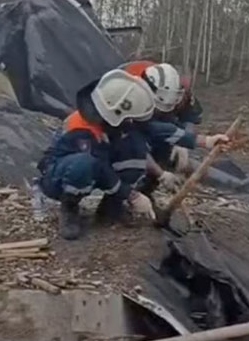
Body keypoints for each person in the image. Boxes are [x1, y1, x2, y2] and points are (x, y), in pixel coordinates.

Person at [36, 69, 165, 240]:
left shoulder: (108, 123)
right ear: (115, 114)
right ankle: (69, 207)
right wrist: (132, 195)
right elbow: (100, 168)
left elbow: (151, 133)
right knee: (84, 164)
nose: (130, 122)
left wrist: (196, 141)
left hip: (96, 165)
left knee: (134, 147)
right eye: (129, 118)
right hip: (59, 177)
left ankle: (110, 208)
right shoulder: (81, 130)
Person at [122, 60, 220, 174]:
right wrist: (159, 173)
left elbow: (187, 118)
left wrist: (186, 142)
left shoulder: (176, 89)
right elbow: (139, 138)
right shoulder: (127, 97)